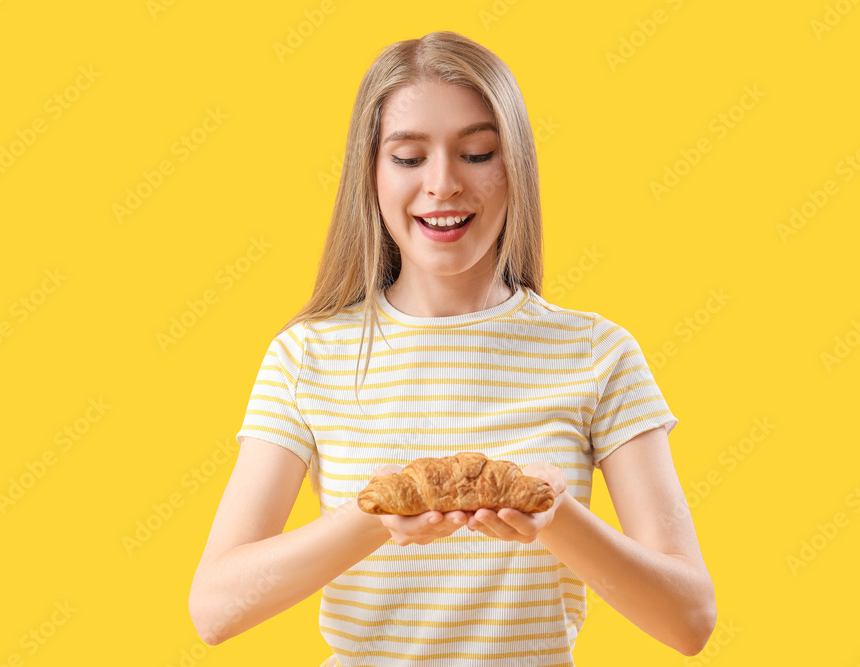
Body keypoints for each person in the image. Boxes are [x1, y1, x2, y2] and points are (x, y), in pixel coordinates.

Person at [188, 31, 715, 666]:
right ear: (372, 173)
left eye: (476, 152)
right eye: (409, 158)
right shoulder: (308, 356)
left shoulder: (597, 353)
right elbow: (216, 609)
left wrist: (560, 518)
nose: (443, 184)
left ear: (513, 163)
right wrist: (375, 515)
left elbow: (689, 620)